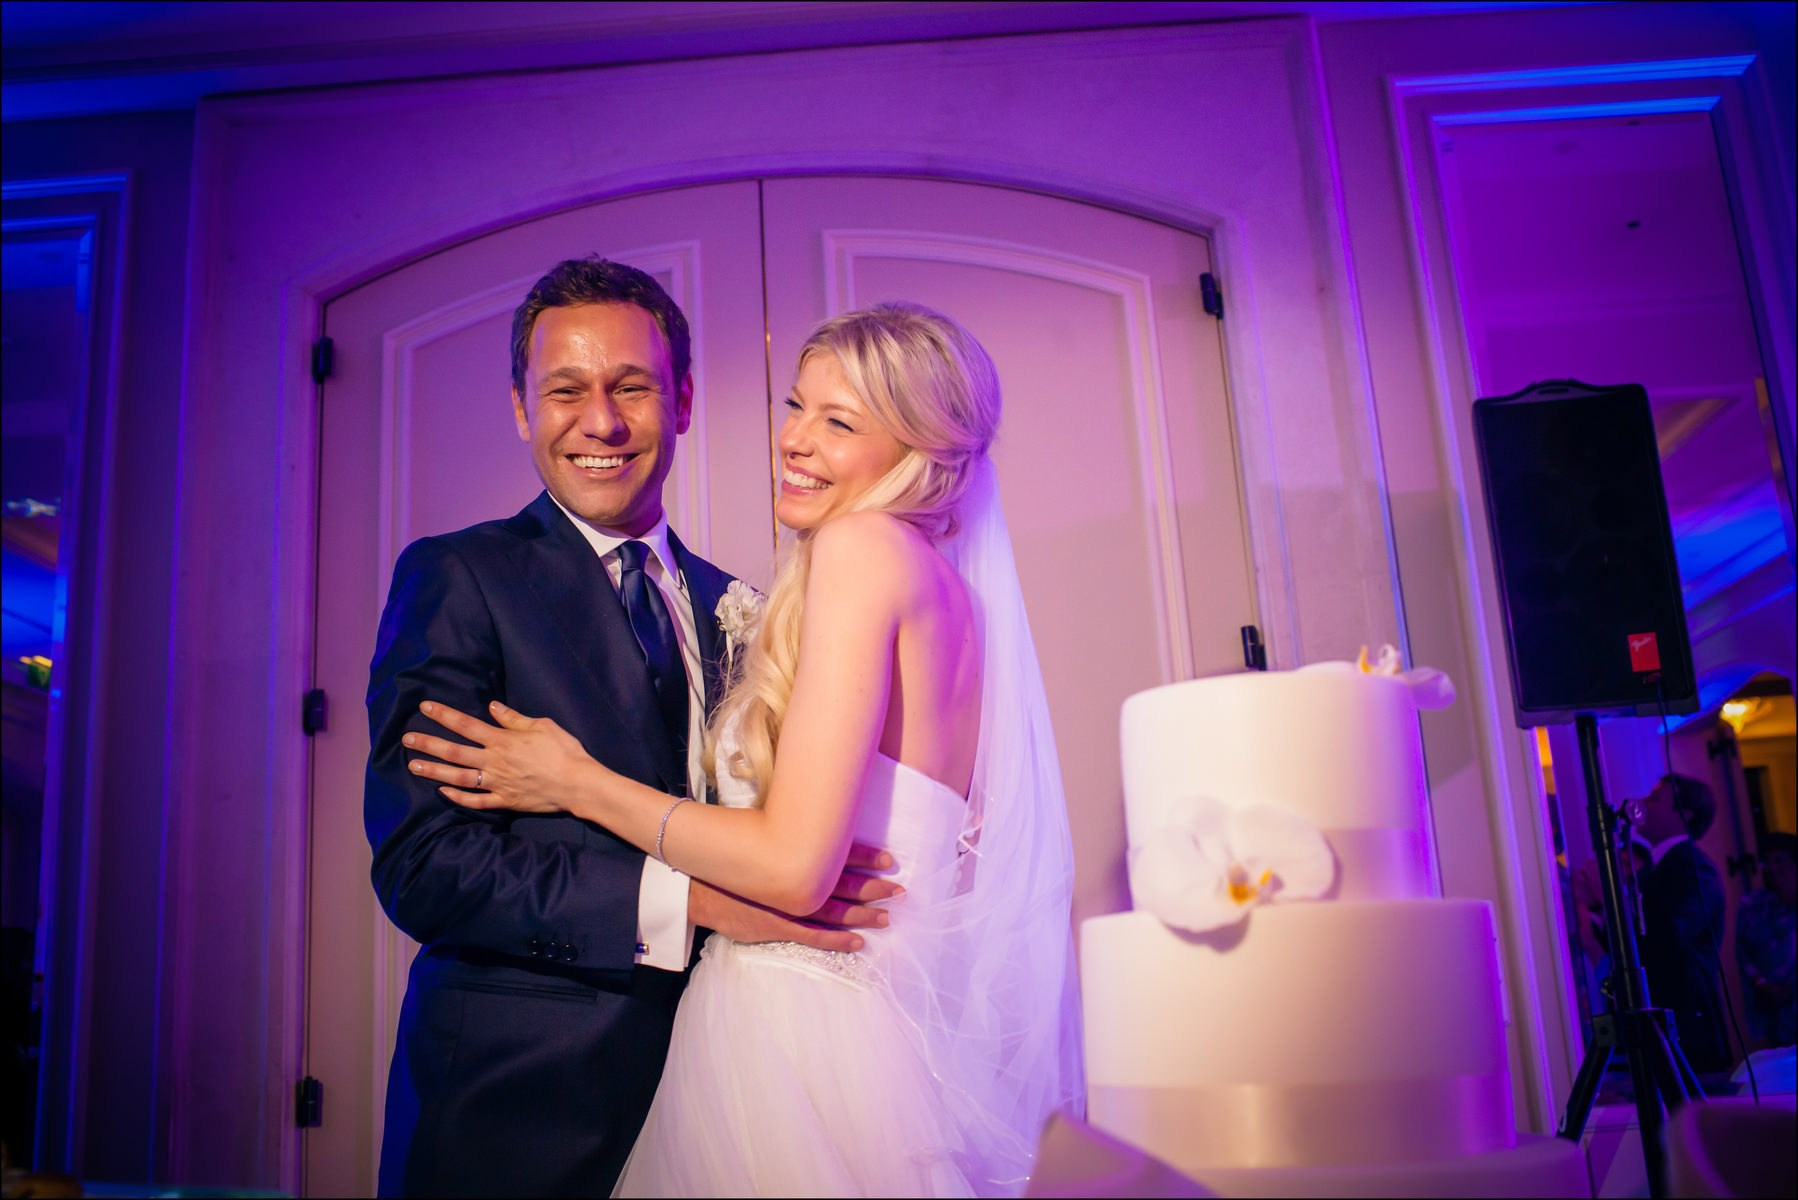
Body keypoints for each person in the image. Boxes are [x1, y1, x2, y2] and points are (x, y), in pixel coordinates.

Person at [407, 302, 1086, 1196]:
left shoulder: (851, 556)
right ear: (523, 406)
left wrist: (574, 780)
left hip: (798, 1038)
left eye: (839, 422)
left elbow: (795, 866)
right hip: (583, 1088)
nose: (797, 441)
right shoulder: (941, 593)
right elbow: (425, 863)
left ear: (919, 450)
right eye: (796, 407)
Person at [365, 258, 898, 1198]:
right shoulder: (459, 577)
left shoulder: (745, 607)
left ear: (683, 399)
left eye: (632, 387)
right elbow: (426, 865)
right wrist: (693, 904)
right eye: (564, 391)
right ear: (523, 410)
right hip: (517, 1107)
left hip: (728, 1096)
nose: (601, 423)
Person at [1633, 772, 1731, 1073]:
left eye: (1655, 798)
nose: (1643, 804)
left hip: (1687, 1024)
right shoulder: (1659, 866)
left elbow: (1671, 938)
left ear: (1683, 814)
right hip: (1667, 1020)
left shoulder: (1694, 868)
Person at [1736, 830, 1797, 1048]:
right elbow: (1743, 952)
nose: (1773, 868)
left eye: (1780, 860)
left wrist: (1790, 987)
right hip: (1773, 1016)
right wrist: (1760, 983)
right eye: (1767, 861)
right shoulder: (1754, 906)